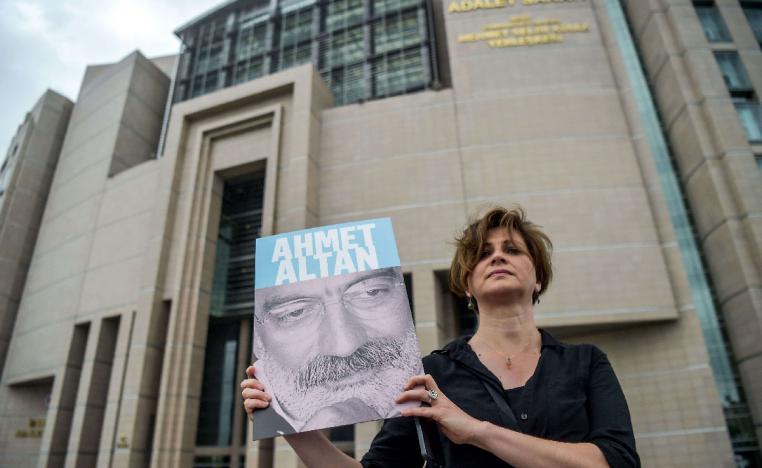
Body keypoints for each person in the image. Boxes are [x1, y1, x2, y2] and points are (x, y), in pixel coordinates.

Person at [242, 207, 640, 467]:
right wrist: (294, 431)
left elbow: (616, 463)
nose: (497, 257)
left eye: (512, 250)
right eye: (483, 254)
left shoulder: (585, 361)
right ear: (467, 284)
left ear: (538, 277)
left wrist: (475, 430)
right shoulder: (429, 375)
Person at [251, 266, 423, 438]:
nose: (345, 347)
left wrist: (437, 399)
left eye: (371, 292)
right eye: (295, 313)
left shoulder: (433, 371)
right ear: (258, 342)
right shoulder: (265, 404)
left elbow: (433, 392)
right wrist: (281, 427)